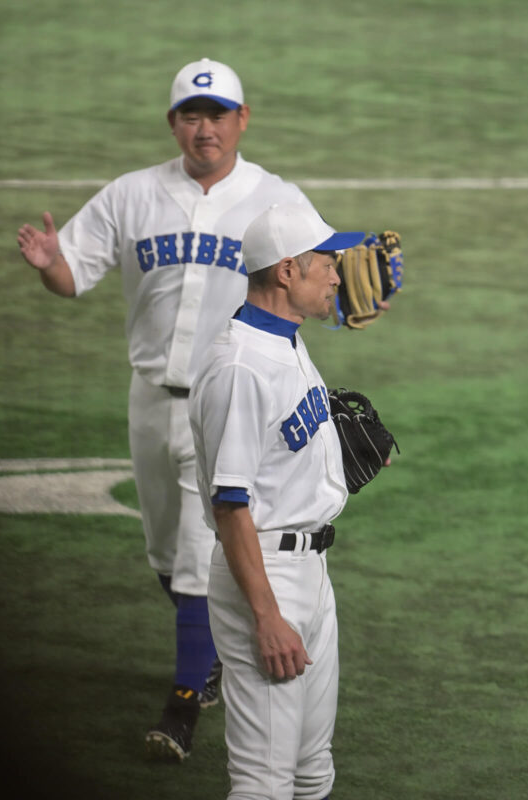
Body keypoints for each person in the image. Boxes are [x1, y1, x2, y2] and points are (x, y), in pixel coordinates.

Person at [16, 58, 317, 762]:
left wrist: (365, 293)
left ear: (243, 120)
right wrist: (48, 265)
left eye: (217, 114)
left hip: (229, 403)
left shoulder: (275, 199)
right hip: (150, 399)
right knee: (165, 555)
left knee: (193, 555)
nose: (204, 128)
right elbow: (74, 273)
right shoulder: (131, 195)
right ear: (173, 122)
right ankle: (209, 652)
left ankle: (181, 706)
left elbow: (322, 277)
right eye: (191, 114)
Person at [189, 202, 365, 800]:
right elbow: (230, 504)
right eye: (326, 263)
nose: (339, 274)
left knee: (312, 771)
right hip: (265, 576)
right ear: (287, 271)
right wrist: (267, 617)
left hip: (311, 572)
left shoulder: (285, 335)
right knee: (262, 788)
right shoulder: (238, 366)